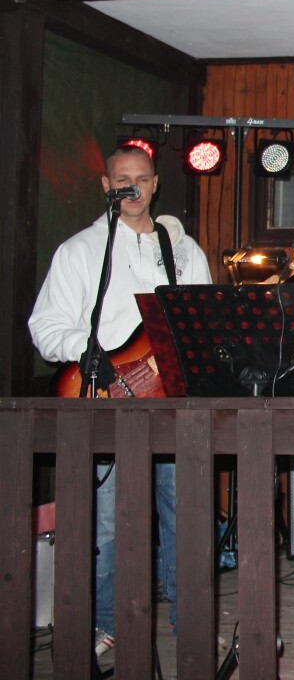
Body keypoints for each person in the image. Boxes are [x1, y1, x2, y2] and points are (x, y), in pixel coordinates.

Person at [29, 142, 212, 658]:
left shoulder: (184, 252)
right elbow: (45, 326)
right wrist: (88, 351)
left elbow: (202, 325)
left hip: (172, 403)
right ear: (107, 187)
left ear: (155, 184)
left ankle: (188, 620)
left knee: (185, 513)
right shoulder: (79, 251)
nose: (133, 187)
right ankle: (106, 621)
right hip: (105, 399)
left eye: (143, 178)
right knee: (107, 518)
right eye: (122, 180)